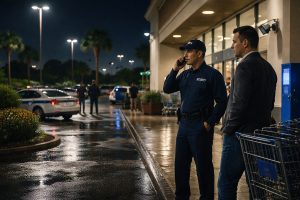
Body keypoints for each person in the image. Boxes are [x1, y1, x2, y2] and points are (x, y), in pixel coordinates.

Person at [217, 26, 277, 200]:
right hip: (262, 134)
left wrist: (227, 128)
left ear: (245, 43)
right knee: (257, 184)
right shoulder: (268, 68)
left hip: (240, 134)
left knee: (227, 182)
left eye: (234, 42)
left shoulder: (244, 67)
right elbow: (270, 103)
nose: (232, 46)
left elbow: (238, 103)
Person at [163, 39, 227, 200]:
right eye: (185, 51)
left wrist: (210, 122)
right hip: (184, 125)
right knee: (181, 166)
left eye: (189, 51)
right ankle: (181, 197)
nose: (186, 55)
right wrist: (175, 69)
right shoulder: (185, 74)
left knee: (203, 167)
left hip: (200, 126)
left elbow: (222, 102)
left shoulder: (212, 75)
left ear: (200, 53)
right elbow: (168, 88)